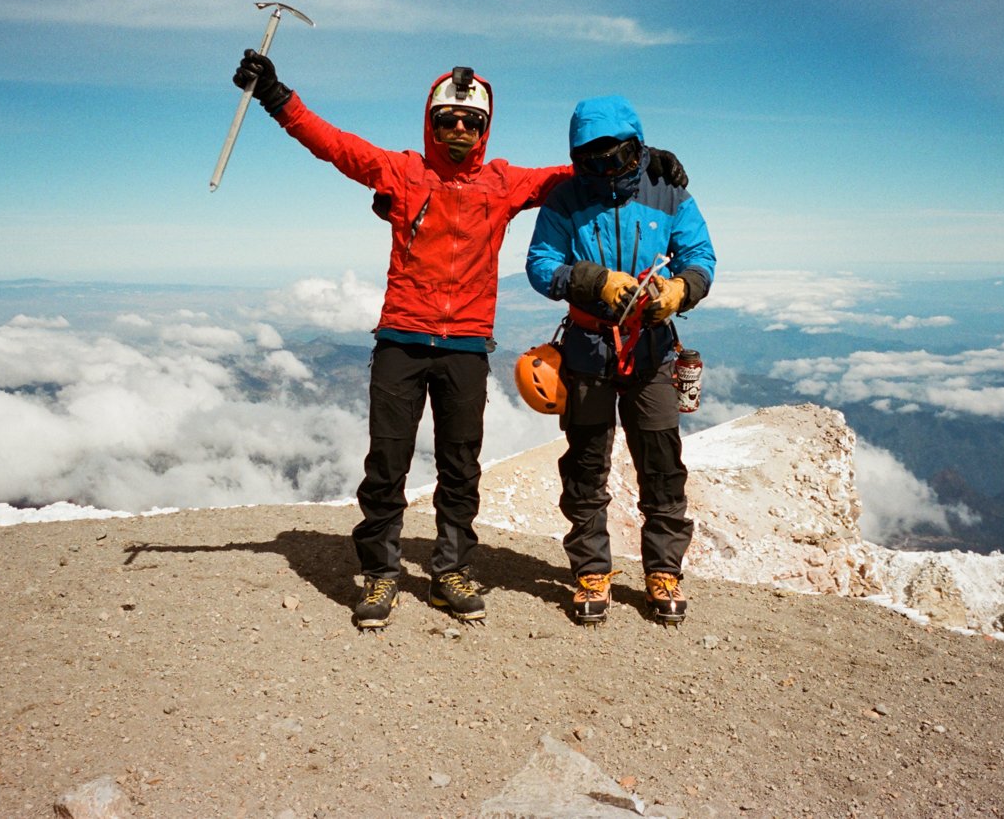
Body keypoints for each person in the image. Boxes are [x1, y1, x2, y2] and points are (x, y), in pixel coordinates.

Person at [232, 54, 687, 628]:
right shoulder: (400, 172)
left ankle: (450, 570)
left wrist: (648, 162)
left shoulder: (500, 183)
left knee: (460, 467)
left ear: (484, 128)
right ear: (432, 121)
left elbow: (584, 170)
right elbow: (334, 144)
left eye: (471, 122)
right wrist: (277, 97)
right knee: (387, 464)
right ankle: (379, 575)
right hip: (401, 337)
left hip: (467, 346)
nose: (459, 130)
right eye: (448, 119)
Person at [524, 95, 716, 625]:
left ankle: (664, 570)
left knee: (661, 461)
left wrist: (681, 290)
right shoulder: (565, 200)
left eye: (621, 157)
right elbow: (541, 265)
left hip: (651, 350)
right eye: (593, 161)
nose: (608, 169)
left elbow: (699, 255)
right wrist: (593, 280)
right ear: (576, 159)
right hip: (588, 351)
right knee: (587, 464)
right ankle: (591, 569)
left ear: (639, 146)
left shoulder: (669, 191)